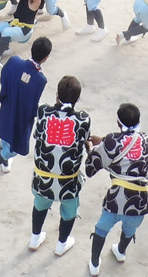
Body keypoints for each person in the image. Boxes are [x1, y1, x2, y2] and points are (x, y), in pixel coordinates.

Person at [85, 102, 148, 275]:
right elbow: (124, 142)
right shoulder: (145, 139)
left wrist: (91, 149)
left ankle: (94, 264)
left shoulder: (111, 141)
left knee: (101, 228)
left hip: (117, 200)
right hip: (140, 202)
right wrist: (103, 140)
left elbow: (90, 168)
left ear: (118, 122)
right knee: (130, 229)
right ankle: (121, 252)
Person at [0, 36, 51, 185]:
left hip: (8, 106)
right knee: (12, 149)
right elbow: (32, 104)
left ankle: (5, 163)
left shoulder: (14, 62)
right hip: (21, 117)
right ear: (46, 58)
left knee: (5, 135)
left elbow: (3, 78)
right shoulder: (40, 79)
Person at [27, 75, 91, 256]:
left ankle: (34, 237)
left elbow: (37, 136)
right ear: (78, 98)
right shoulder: (84, 119)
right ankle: (61, 244)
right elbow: (84, 141)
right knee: (69, 211)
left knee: (40, 205)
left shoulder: (43, 112)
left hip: (43, 178)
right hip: (68, 182)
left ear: (57, 94)